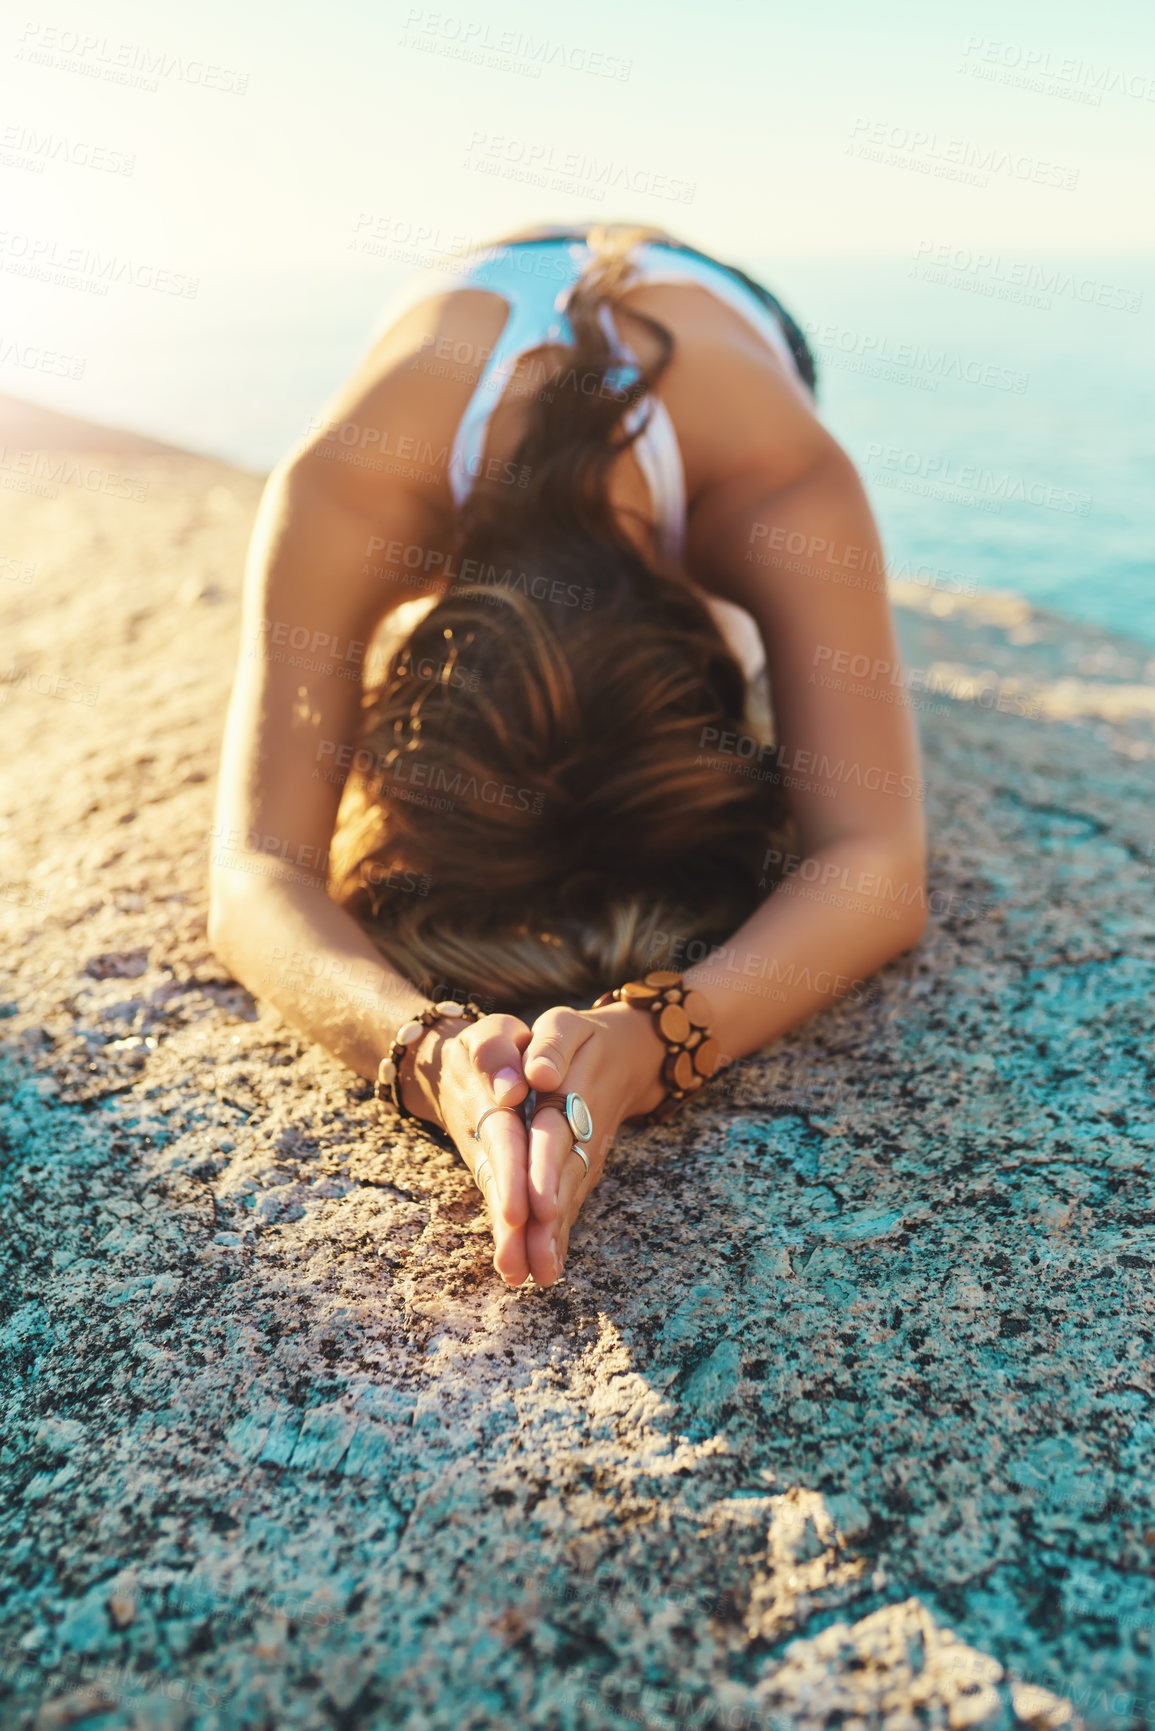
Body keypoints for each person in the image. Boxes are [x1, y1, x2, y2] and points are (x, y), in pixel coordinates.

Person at [209, 221, 927, 1290]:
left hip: (722, 331)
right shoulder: (350, 485)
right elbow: (250, 879)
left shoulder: (778, 480)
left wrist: (653, 1038)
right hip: (474, 311)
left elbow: (881, 866)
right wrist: (429, 1057)